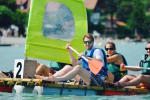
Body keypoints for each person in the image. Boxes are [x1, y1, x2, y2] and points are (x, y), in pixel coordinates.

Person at [36, 33, 108, 86]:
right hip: (86, 79)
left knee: (78, 68)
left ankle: (56, 80)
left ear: (93, 42)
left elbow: (99, 62)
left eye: (89, 42)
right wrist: (69, 51)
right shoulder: (85, 52)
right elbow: (74, 63)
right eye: (85, 42)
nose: (87, 44)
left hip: (97, 81)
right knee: (68, 67)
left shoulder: (97, 51)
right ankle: (51, 78)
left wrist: (85, 57)